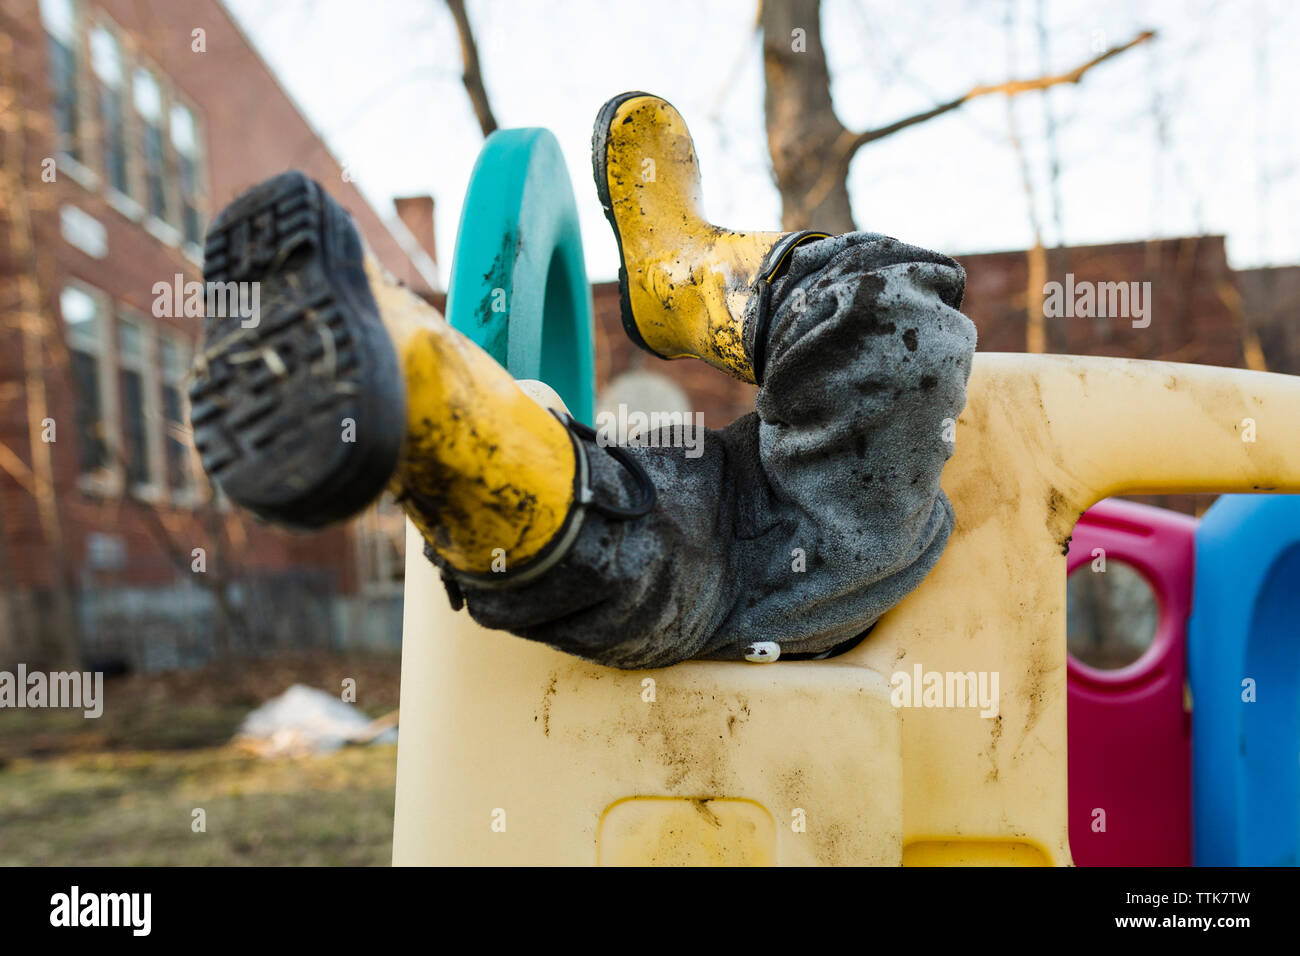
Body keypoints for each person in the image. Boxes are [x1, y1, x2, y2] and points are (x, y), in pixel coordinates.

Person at [189, 92, 976, 669]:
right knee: (889, 309)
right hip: (722, 510)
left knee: (615, 554)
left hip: (764, 581)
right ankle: (669, 285)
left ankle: (424, 405)